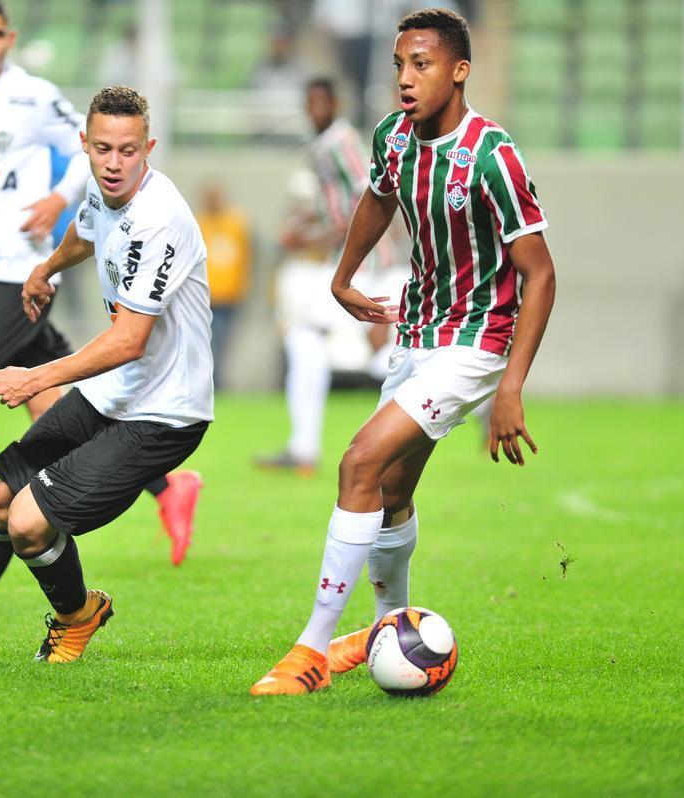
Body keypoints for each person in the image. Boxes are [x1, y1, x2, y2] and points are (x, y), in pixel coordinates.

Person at [251, 8, 556, 695]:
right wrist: (342, 277)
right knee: (390, 489)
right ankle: (390, 628)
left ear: (459, 71)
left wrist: (510, 387)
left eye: (421, 65)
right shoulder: (392, 136)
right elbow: (377, 199)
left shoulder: (493, 155)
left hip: (475, 342)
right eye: (398, 66)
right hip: (416, 333)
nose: (406, 79)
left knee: (359, 460)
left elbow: (540, 274)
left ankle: (311, 650)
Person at [0, 86, 213, 663]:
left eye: (128, 151)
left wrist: (35, 379)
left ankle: (79, 616)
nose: (113, 163)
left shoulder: (160, 221)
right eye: (102, 149)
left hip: (164, 413)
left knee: (28, 522)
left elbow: (129, 340)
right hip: (113, 394)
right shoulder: (102, 187)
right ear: (84, 143)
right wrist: (47, 268)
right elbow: (84, 229)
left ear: (148, 148)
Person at [0, 0, 201, 579]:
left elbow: (83, 147)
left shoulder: (32, 95)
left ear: (10, 39)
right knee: (49, 406)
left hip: (17, 262)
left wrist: (56, 200)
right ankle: (169, 487)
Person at [255, 77, 403, 476]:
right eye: (310, 101)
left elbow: (368, 199)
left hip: (369, 263)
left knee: (312, 338)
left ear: (335, 104)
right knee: (310, 340)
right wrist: (302, 224)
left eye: (321, 101)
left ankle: (309, 447)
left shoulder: (342, 141)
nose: (315, 109)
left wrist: (312, 236)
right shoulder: (321, 144)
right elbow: (333, 203)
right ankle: (305, 447)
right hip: (353, 263)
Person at [196, 182, 252, 388]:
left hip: (229, 296)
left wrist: (242, 287)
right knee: (203, 342)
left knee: (221, 341)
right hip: (203, 296)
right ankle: (204, 381)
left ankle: (215, 381)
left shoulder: (236, 223)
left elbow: (247, 258)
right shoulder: (198, 223)